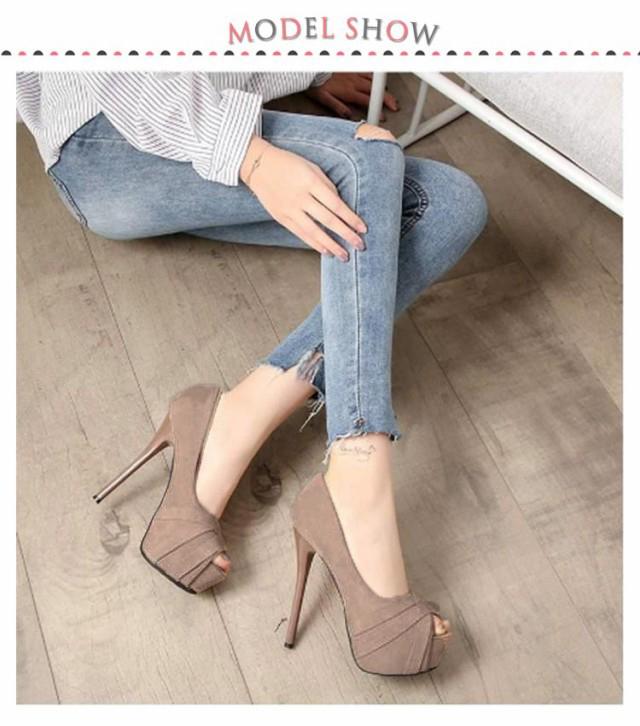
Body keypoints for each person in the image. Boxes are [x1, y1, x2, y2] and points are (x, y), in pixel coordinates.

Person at [17, 71, 487, 676]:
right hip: (106, 141)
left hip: (196, 123)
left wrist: (309, 69)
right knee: (364, 159)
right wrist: (252, 157)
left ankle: (239, 415)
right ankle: (359, 468)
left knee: (449, 204)